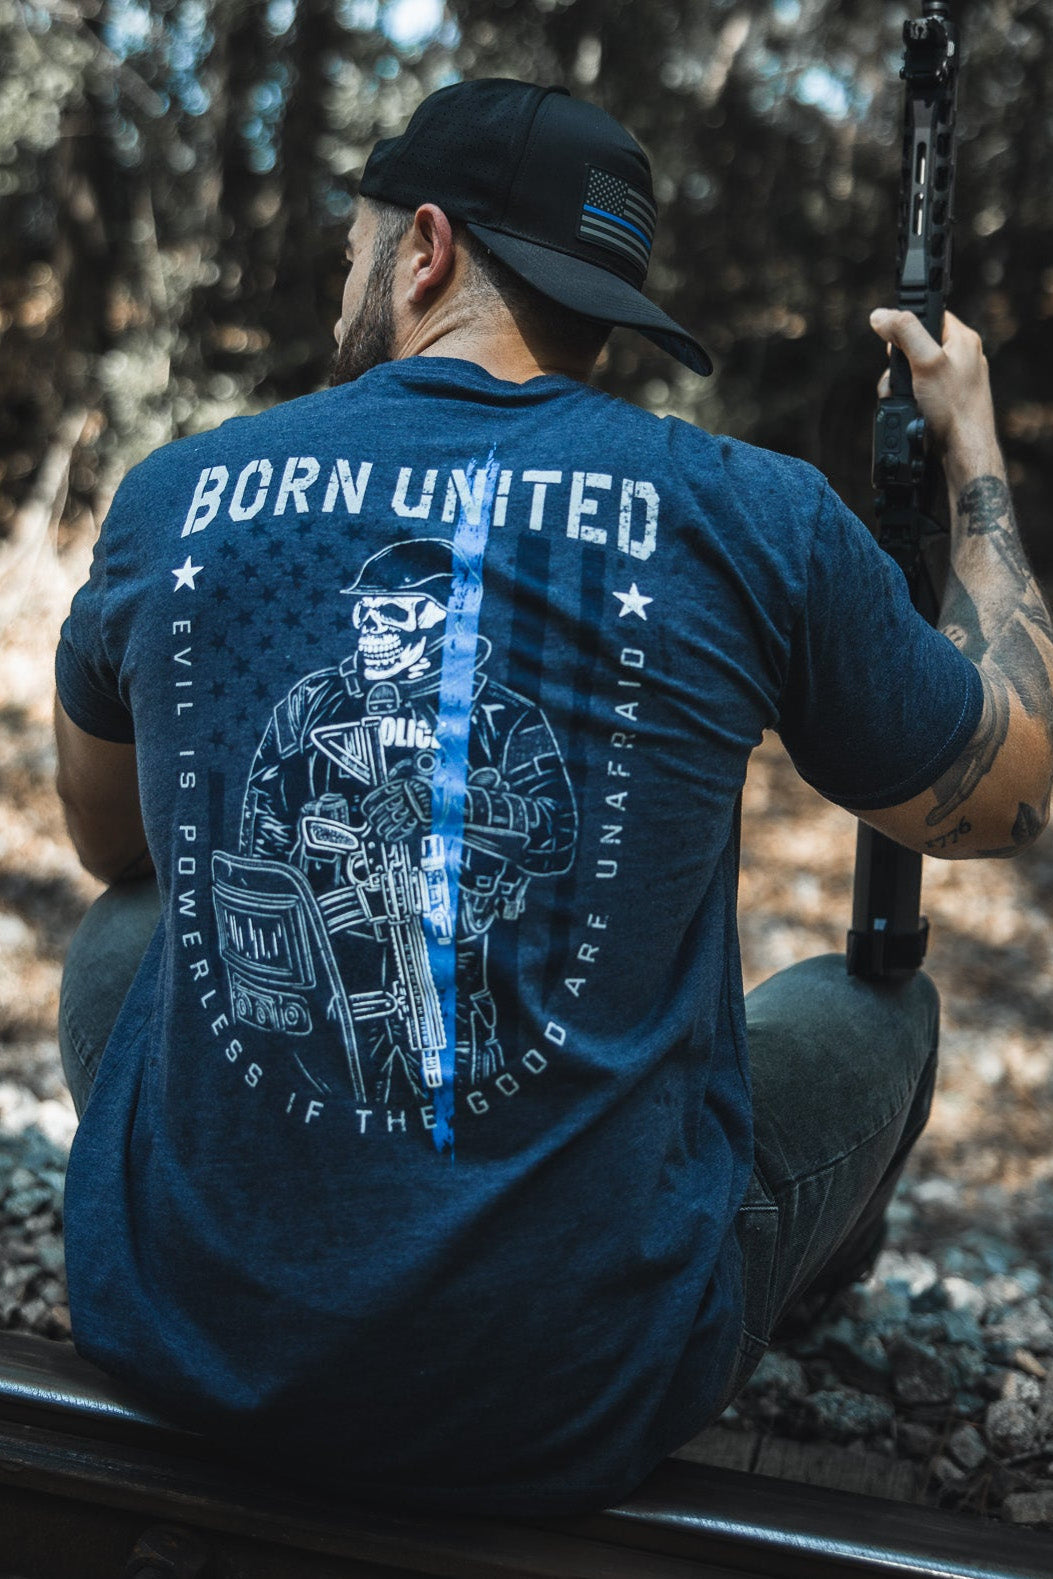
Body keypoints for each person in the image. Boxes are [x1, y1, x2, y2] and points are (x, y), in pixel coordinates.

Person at [54, 78, 1053, 1515]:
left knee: (121, 938)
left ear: (427, 250)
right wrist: (972, 453)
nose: (351, 275)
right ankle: (777, 1289)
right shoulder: (747, 513)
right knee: (876, 1008)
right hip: (565, 1389)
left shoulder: (178, 494)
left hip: (186, 1340)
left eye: (357, 246)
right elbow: (1009, 798)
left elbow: (112, 840)